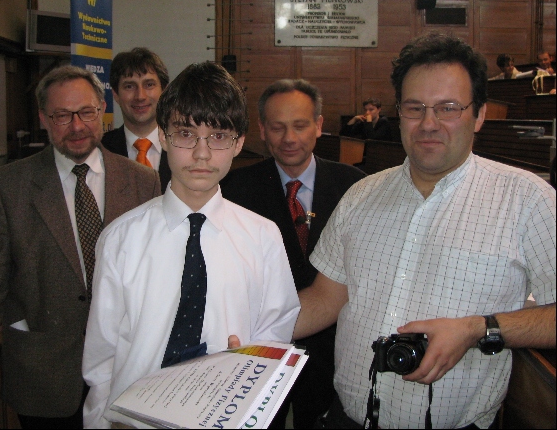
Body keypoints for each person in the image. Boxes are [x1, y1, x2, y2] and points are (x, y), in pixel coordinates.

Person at [294, 33, 556, 429]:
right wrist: (241, 326)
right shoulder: (361, 195)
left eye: (448, 108)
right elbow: (323, 299)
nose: (428, 124)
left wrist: (478, 329)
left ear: (479, 115)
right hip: (348, 419)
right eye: (415, 108)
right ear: (399, 112)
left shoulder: (527, 200)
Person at [0, 65, 161, 429]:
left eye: (86, 112)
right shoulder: (10, 185)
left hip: (126, 371)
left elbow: (157, 278)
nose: (77, 126)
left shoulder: (142, 182)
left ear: (102, 111)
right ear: (43, 118)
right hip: (45, 377)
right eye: (62, 116)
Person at [82, 62, 301, 428]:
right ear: (163, 136)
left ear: (239, 143)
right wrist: (104, 421)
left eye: (218, 136)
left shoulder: (263, 236)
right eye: (186, 133)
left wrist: (250, 364)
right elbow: (101, 356)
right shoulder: (121, 238)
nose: (202, 153)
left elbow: (275, 332)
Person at [220, 79, 366, 429]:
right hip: (260, 352)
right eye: (277, 127)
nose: (289, 138)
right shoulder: (233, 190)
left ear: (318, 125)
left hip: (337, 350)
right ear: (261, 130)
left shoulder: (356, 187)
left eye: (300, 125)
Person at [101, 47, 171, 193]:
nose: (140, 96)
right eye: (129, 86)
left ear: (164, 91)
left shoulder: (185, 146)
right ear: (116, 95)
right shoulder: (100, 150)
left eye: (149, 85)